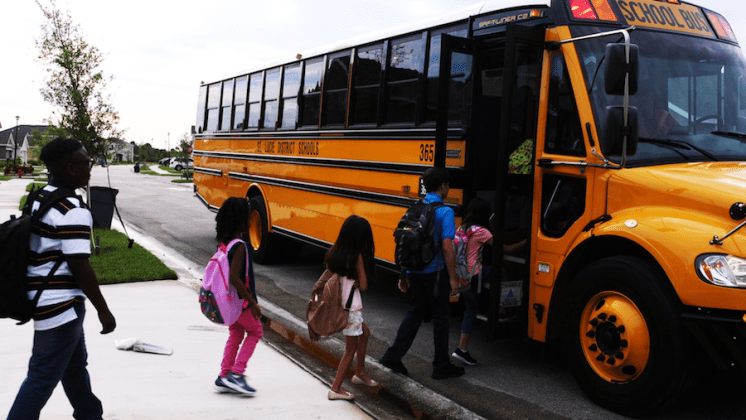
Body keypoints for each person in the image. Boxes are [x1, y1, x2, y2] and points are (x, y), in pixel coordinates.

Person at [8, 137, 117, 420]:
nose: (90, 169)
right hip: (60, 306)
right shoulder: (73, 210)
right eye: (86, 163)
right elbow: (80, 266)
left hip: (42, 297)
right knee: (41, 378)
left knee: (74, 367)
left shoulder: (40, 196)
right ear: (70, 168)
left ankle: (90, 414)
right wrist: (104, 311)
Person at [380, 167, 464, 380]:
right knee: (441, 317)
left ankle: (393, 355)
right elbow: (447, 247)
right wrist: (453, 278)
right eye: (447, 185)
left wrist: (404, 274)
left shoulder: (415, 207)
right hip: (435, 273)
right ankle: (441, 365)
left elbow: (406, 243)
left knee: (416, 312)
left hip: (415, 270)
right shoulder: (445, 212)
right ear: (443, 186)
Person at [211, 197, 263, 396]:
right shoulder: (240, 245)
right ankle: (236, 373)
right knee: (256, 332)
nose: (251, 221)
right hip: (241, 303)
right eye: (248, 217)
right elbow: (235, 278)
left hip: (229, 302)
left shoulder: (224, 244)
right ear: (241, 221)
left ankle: (224, 375)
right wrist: (253, 303)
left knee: (236, 333)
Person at [325, 215, 378, 401]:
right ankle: (336, 388)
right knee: (350, 350)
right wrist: (357, 279)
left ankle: (360, 374)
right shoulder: (357, 257)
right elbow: (364, 286)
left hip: (340, 305)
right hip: (351, 310)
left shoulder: (334, 252)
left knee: (365, 333)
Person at [452, 198, 493, 366]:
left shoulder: (462, 228)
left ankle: (462, 349)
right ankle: (462, 349)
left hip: (461, 273)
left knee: (469, 308)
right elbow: (503, 248)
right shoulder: (483, 231)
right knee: (471, 310)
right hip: (474, 274)